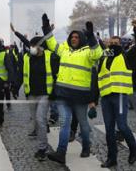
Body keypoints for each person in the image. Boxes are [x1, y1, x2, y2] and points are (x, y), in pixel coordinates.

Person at [41, 14, 103, 164]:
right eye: (72, 37)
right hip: (63, 95)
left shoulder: (88, 52)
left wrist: (92, 37)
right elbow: (51, 44)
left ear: (81, 38)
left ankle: (86, 146)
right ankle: (61, 153)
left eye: (76, 37)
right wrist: (46, 28)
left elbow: (98, 53)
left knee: (83, 123)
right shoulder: (64, 50)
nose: (74, 38)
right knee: (64, 123)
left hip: (80, 96)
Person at [11, 24, 59, 161]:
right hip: (31, 93)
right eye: (30, 45)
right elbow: (21, 73)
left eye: (34, 45)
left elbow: (56, 75)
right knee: (36, 122)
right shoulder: (27, 57)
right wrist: (15, 87)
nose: (31, 48)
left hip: (45, 93)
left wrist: (55, 92)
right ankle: (42, 141)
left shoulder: (51, 57)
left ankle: (42, 148)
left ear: (41, 46)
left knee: (40, 119)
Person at [97, 20, 136, 168]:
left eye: (117, 43)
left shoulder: (126, 56)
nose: (114, 45)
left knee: (122, 126)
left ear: (121, 44)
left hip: (121, 97)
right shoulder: (103, 57)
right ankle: (112, 158)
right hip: (106, 98)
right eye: (112, 43)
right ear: (108, 44)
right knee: (109, 129)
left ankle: (133, 147)